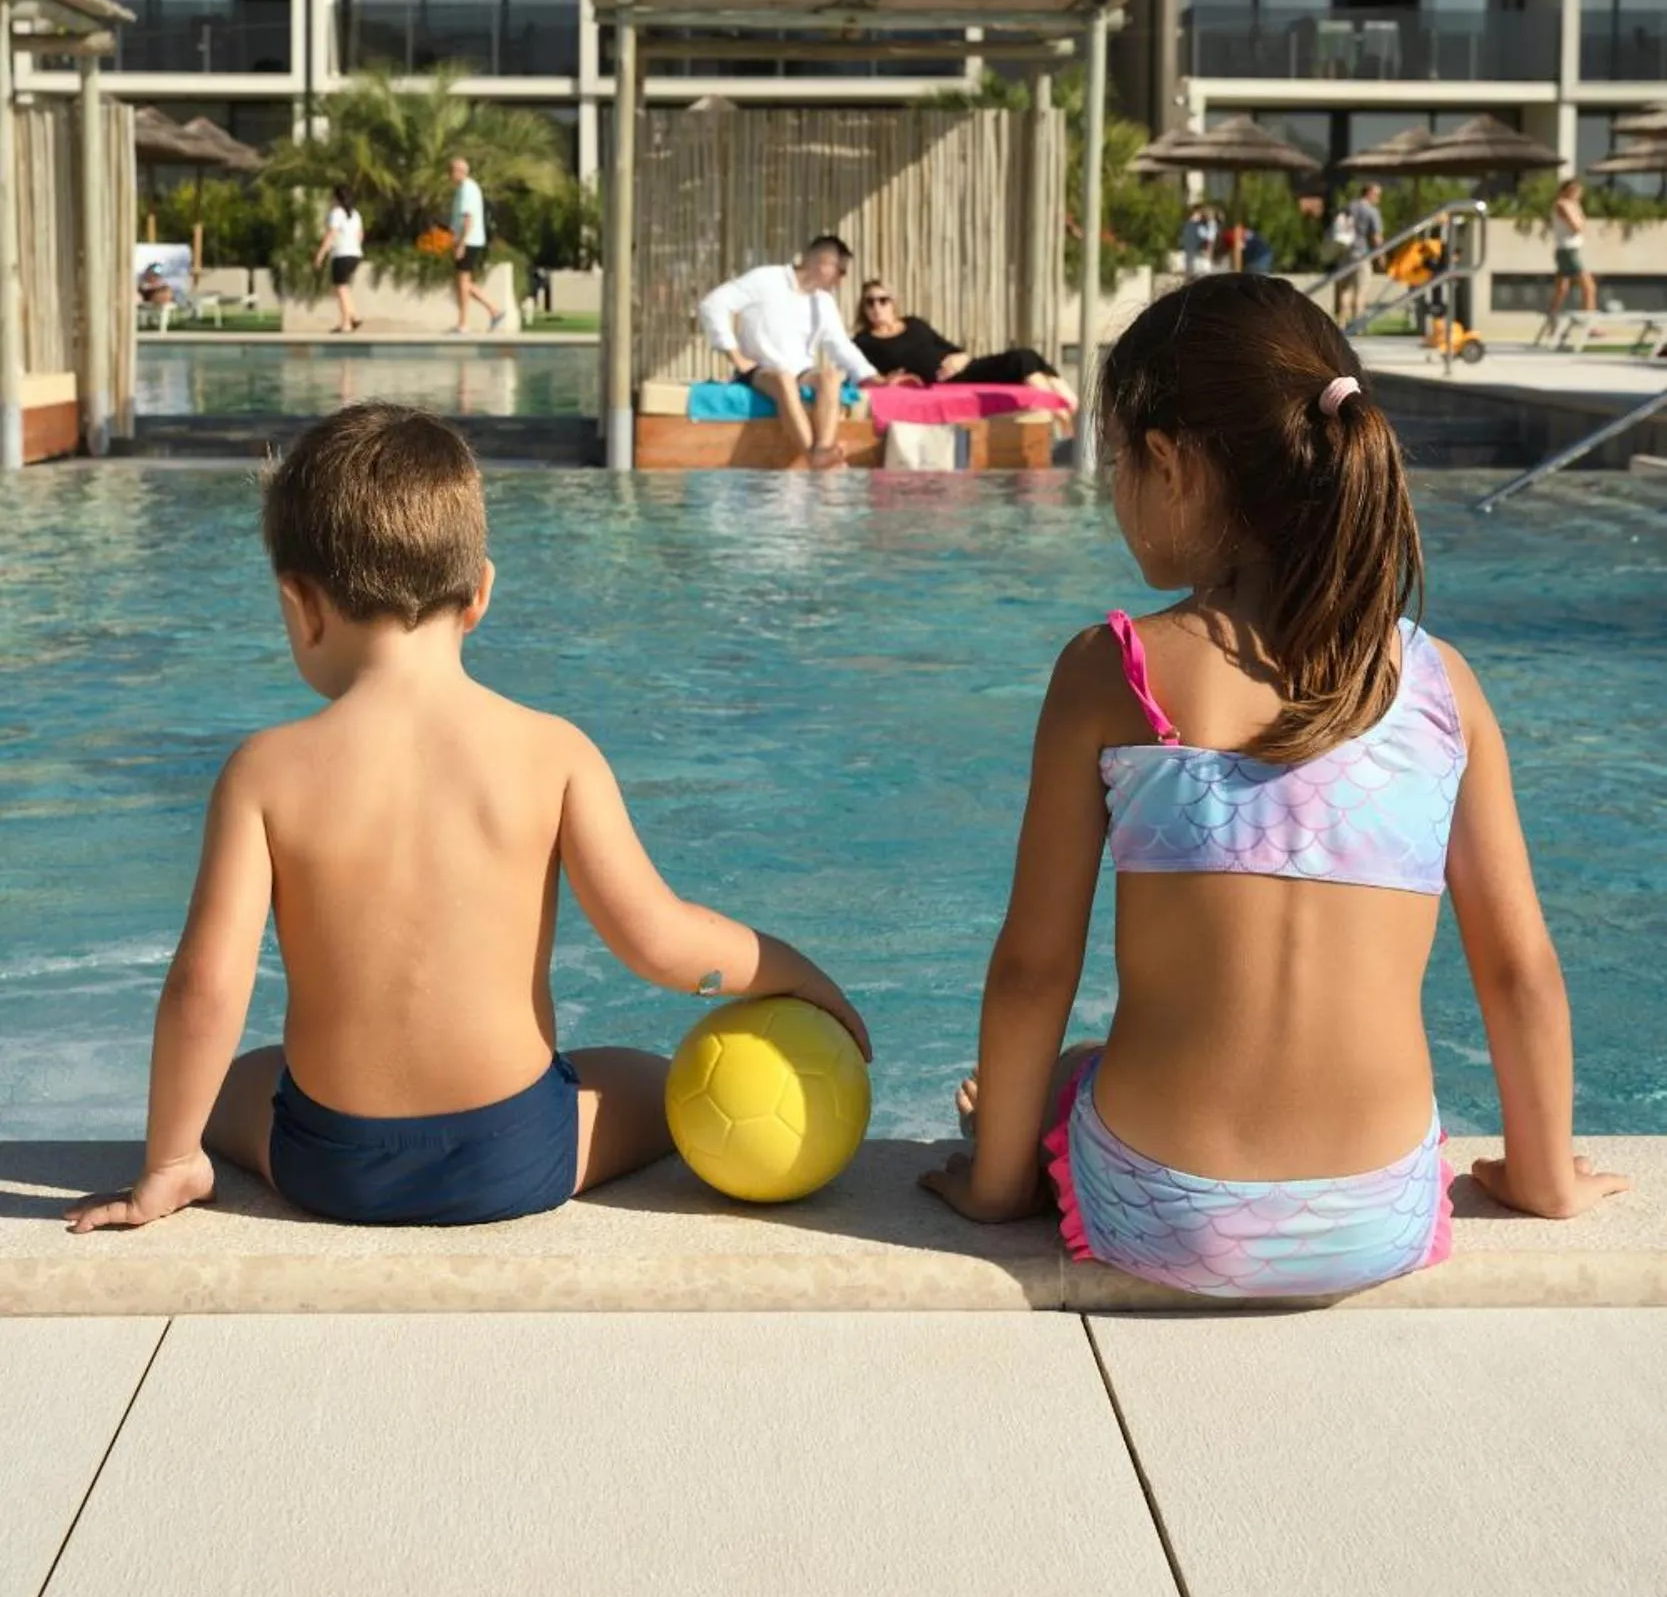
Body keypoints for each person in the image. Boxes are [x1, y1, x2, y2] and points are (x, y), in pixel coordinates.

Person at [923, 275, 1624, 1301]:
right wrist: (1542, 1178)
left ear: (1168, 461)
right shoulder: (1440, 685)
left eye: (1117, 459)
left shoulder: (1110, 669)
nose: (1114, 486)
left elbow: (1034, 967)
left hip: (1159, 1214)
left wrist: (996, 1187)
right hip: (1376, 1212)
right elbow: (1519, 971)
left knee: (1069, 1061)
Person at [66, 404, 868, 1235]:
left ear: (300, 604)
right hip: (515, 1156)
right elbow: (659, 943)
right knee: (647, 1076)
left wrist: (168, 1161)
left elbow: (207, 984)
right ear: (480, 592)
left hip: (331, 1167)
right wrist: (796, 974)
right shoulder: (553, 752)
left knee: (243, 1079)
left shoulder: (263, 771)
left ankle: (186, 1164)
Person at [697, 235, 875, 469]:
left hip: (800, 371)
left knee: (830, 376)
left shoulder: (823, 302)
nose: (841, 279)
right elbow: (713, 304)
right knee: (783, 378)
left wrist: (871, 376)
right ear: (824, 263)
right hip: (761, 370)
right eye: (840, 271)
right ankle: (814, 457)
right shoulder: (766, 279)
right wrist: (736, 356)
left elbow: (840, 345)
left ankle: (821, 449)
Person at [852, 283, 1078, 415]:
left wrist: (960, 358)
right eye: (870, 302)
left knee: (1027, 356)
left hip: (962, 368)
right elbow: (864, 375)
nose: (877, 307)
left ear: (892, 303)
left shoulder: (914, 323)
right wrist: (890, 380)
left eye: (882, 300)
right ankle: (1059, 414)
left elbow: (953, 349)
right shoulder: (864, 341)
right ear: (863, 309)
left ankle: (1075, 411)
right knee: (1022, 361)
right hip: (943, 381)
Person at [448, 156, 505, 337]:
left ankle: (465, 323)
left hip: (469, 241)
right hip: (468, 240)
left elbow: (468, 219)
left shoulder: (466, 189)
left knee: (463, 283)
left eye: (451, 171)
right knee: (463, 283)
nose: (449, 176)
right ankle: (494, 311)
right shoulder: (466, 188)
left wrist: (462, 243)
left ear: (459, 172)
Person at [313, 183, 365, 335]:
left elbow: (331, 235)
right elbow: (360, 235)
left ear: (337, 198)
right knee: (344, 287)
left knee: (340, 288)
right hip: (355, 254)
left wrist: (320, 255)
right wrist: (355, 247)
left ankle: (346, 323)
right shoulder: (356, 214)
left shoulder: (337, 213)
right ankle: (353, 316)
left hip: (341, 254)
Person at [1548, 178, 1598, 322]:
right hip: (1567, 251)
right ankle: (1590, 324)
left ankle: (1552, 322)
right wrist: (1578, 218)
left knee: (1561, 290)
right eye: (1573, 191)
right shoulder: (1562, 205)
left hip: (1568, 250)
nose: (1576, 194)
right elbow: (1576, 227)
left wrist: (1578, 213)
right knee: (1589, 287)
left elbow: (1580, 224)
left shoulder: (1573, 206)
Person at [1336, 179, 1384, 325]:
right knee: (1361, 291)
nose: (1379, 198)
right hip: (1363, 254)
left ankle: (1342, 322)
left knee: (1345, 289)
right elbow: (1376, 236)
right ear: (1369, 193)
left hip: (1347, 252)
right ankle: (1358, 325)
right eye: (1377, 195)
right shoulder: (1372, 211)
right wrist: (1382, 255)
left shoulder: (1350, 206)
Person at [1178, 205, 1216, 280]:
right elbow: (1208, 241)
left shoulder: (1188, 225)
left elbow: (1182, 242)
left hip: (1193, 259)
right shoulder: (1199, 227)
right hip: (1199, 260)